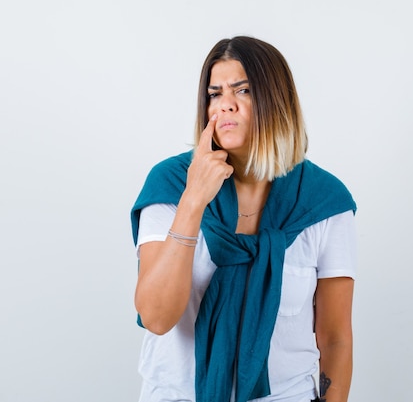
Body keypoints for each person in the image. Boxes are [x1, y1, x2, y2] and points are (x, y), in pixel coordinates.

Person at [130, 36, 357, 402]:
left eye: (244, 90)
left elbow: (335, 338)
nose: (225, 106)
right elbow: (156, 317)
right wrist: (193, 201)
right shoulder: (171, 185)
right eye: (214, 94)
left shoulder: (323, 202)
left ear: (276, 101)